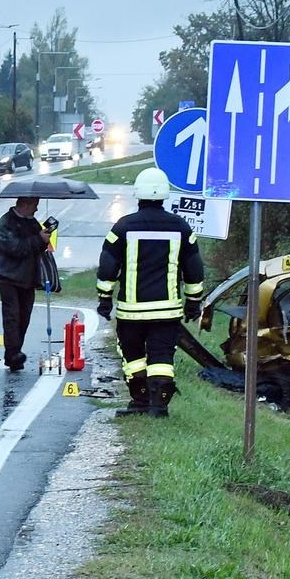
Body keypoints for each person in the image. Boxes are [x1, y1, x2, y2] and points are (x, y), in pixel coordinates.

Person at [95, 166, 206, 418]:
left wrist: (104, 299)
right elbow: (194, 268)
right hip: (167, 311)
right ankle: (159, 406)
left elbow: (108, 265)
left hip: (131, 312)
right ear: (165, 194)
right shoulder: (181, 227)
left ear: (138, 194)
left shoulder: (123, 227)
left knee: (133, 357)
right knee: (162, 358)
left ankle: (140, 401)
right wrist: (193, 302)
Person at [0, 196, 52, 372]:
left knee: (24, 316)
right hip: (8, 276)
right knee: (12, 316)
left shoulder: (32, 222)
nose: (36, 209)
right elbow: (16, 248)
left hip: (27, 277)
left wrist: (44, 239)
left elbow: (35, 248)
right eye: (34, 205)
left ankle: (15, 352)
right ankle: (13, 354)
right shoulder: (5, 223)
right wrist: (38, 239)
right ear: (24, 204)